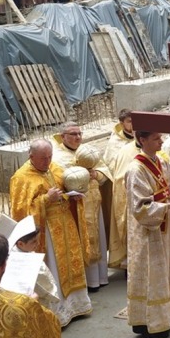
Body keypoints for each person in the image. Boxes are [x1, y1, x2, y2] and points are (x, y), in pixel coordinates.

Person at [9, 139, 92, 324]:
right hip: (47, 232)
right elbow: (21, 212)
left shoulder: (55, 168)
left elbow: (66, 188)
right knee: (55, 267)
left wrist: (73, 195)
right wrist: (46, 199)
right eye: (43, 158)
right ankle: (59, 313)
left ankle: (77, 305)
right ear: (31, 156)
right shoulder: (21, 177)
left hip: (66, 224)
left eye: (49, 156)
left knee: (71, 263)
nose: (47, 161)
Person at [126, 131, 170, 338]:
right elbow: (140, 208)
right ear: (142, 140)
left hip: (168, 226)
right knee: (153, 274)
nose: (161, 141)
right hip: (149, 231)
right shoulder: (135, 170)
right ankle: (151, 324)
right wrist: (169, 205)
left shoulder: (162, 162)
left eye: (160, 137)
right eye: (156, 138)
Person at [50, 122, 111, 291]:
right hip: (74, 205)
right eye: (73, 134)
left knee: (98, 237)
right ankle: (86, 280)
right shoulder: (57, 157)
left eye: (79, 134)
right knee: (80, 239)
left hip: (94, 202)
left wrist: (95, 174)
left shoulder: (88, 151)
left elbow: (105, 172)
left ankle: (99, 277)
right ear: (62, 137)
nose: (77, 137)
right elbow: (57, 181)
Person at [104, 109, 140, 268]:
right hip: (124, 190)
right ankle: (128, 264)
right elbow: (111, 165)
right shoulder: (115, 143)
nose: (133, 125)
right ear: (122, 123)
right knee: (127, 227)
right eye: (129, 122)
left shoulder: (144, 137)